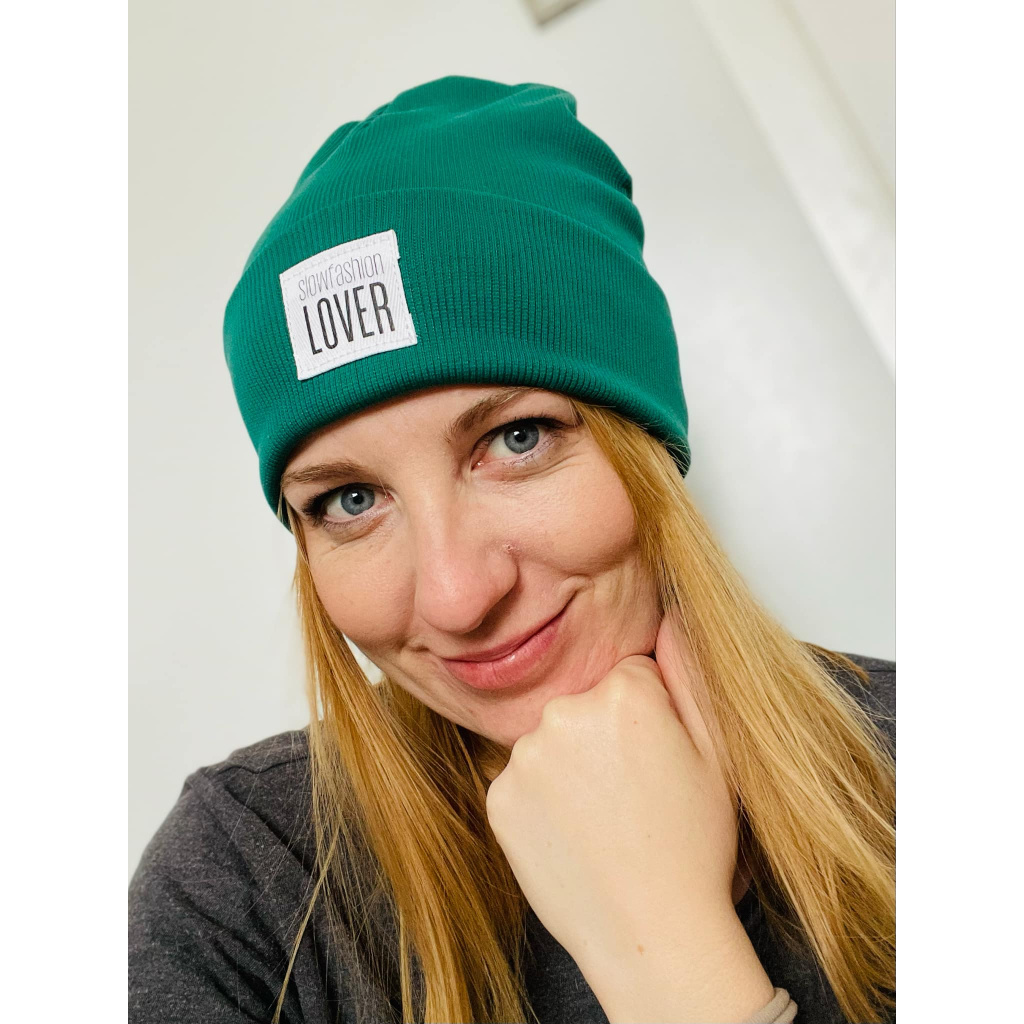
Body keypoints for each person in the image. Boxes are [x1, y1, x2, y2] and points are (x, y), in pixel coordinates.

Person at [128, 75, 896, 1024]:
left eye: (516, 439)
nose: (457, 596)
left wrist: (670, 951)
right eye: (350, 501)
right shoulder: (245, 886)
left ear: (646, 446)